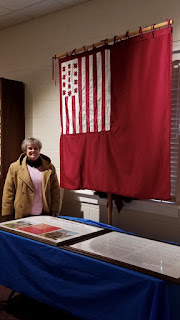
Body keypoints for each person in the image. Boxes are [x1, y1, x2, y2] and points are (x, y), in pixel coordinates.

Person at [2, 137, 60, 219]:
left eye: (36, 148)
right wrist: (7, 213)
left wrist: (55, 209)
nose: (33, 151)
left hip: (44, 213)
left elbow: (55, 190)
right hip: (22, 214)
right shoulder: (15, 167)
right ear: (25, 151)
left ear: (39, 150)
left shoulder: (49, 167)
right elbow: (8, 191)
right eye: (30, 148)